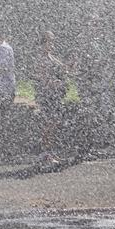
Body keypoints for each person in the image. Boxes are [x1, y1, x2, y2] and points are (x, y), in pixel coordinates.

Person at [30, 30, 68, 164]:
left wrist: (66, 68)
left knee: (54, 123)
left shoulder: (50, 56)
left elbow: (62, 68)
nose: (52, 43)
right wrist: (53, 82)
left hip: (54, 95)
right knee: (49, 125)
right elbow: (41, 77)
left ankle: (50, 152)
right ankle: (45, 154)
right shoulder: (41, 57)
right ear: (44, 42)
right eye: (50, 41)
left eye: (53, 41)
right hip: (46, 95)